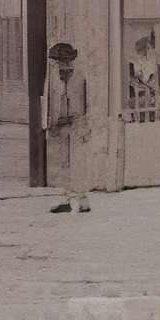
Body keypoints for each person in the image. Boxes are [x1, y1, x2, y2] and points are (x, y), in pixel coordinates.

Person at [44, 41, 92, 214]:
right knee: (64, 163)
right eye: (56, 61)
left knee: (77, 162)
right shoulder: (54, 79)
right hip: (61, 125)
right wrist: (51, 123)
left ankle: (83, 199)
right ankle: (67, 200)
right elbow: (51, 101)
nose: (58, 64)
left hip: (78, 123)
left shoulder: (80, 76)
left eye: (60, 60)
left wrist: (87, 125)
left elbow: (88, 102)